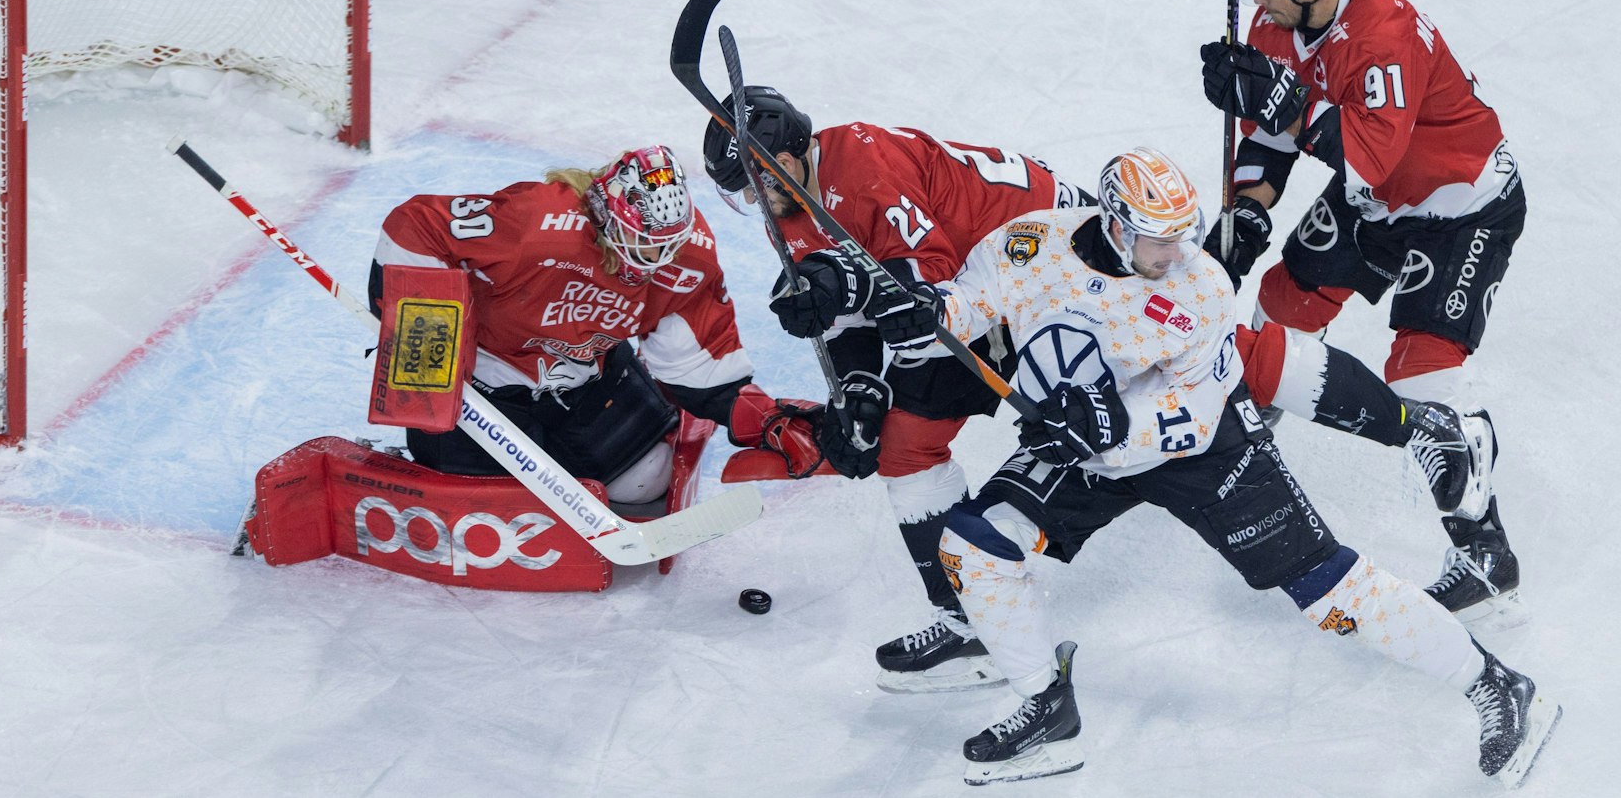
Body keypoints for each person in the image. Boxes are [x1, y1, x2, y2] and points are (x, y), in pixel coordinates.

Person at [911, 148, 1555, 786]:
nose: (1177, 252)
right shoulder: (1030, 244)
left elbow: (1192, 417)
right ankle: (1047, 710)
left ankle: (1496, 684)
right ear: (1116, 226)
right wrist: (922, 311)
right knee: (974, 544)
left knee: (1326, 590)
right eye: (1160, 240)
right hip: (1080, 446)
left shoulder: (1199, 287)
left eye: (1182, 234)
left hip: (1203, 448)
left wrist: (1109, 426)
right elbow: (967, 305)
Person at [1197, 0, 1523, 620]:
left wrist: (1285, 103)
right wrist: (1248, 211)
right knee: (1283, 300)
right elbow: (1273, 139)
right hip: (1375, 200)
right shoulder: (1278, 22)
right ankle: (1250, 416)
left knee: (1421, 373)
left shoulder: (1385, 33)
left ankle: (1486, 554)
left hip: (1459, 207)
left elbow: (1365, 156)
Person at [702, 87, 1088, 691]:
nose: (755, 199)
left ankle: (983, 619)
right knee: (903, 447)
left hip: (1060, 263)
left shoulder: (862, 171)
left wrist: (840, 287)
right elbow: (854, 308)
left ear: (791, 155)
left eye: (757, 183)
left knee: (1156, 406)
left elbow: (925, 286)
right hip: (984, 281)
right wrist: (858, 388)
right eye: (744, 190)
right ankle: (974, 618)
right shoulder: (795, 201)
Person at [368, 145, 822, 505]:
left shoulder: (689, 258)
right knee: (489, 499)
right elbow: (417, 227)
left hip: (586, 384)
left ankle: (558, 452)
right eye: (643, 242)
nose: (657, 260)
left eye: (669, 244)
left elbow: (702, 362)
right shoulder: (536, 224)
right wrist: (426, 348)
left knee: (646, 481)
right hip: (488, 387)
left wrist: (763, 419)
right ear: (606, 215)